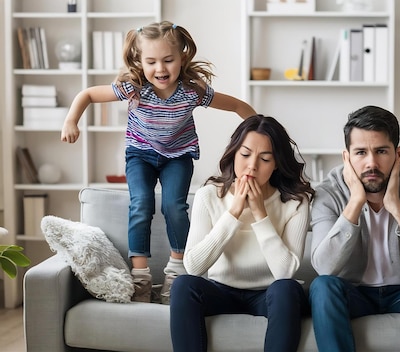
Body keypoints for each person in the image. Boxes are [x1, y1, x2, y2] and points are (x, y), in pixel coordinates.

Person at [60, 21, 257, 303]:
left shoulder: (193, 91)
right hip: (140, 154)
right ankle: (140, 278)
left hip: (178, 156)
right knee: (141, 203)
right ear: (139, 61)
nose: (160, 69)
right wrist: (71, 120)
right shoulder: (133, 88)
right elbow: (88, 95)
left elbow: (240, 107)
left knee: (174, 206)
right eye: (151, 61)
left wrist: (260, 132)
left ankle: (177, 272)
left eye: (168, 60)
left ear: (182, 57)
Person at [309, 105, 400, 352]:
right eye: (360, 153)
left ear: (398, 154)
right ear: (346, 157)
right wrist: (355, 202)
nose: (371, 163)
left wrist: (397, 208)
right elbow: (324, 267)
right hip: (354, 294)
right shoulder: (329, 192)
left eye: (381, 151)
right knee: (322, 286)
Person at [169, 114, 315, 352]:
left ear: (276, 163)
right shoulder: (209, 195)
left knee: (286, 289)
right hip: (221, 290)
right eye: (245, 155)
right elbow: (193, 267)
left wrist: (260, 215)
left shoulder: (295, 202)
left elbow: (285, 271)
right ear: (234, 153)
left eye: (265, 159)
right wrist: (234, 212)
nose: (252, 166)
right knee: (183, 285)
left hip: (270, 294)